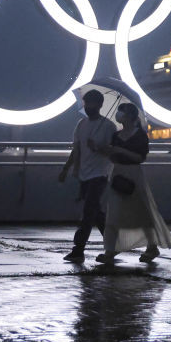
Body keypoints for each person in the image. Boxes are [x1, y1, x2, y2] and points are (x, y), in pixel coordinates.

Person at [95, 102, 171, 264]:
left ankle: (151, 246)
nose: (118, 115)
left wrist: (120, 150)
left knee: (142, 212)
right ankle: (111, 249)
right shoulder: (116, 136)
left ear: (130, 116)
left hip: (134, 174)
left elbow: (140, 158)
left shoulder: (140, 135)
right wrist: (102, 149)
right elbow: (112, 156)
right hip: (118, 173)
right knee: (114, 212)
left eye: (121, 112)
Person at [58, 89, 117, 262]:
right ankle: (113, 244)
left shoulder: (108, 126)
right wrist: (66, 169)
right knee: (95, 212)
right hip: (84, 174)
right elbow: (76, 150)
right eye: (86, 103)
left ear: (99, 105)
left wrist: (97, 147)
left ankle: (78, 250)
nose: (87, 107)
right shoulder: (81, 125)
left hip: (100, 174)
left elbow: (113, 152)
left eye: (90, 103)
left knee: (88, 211)